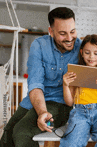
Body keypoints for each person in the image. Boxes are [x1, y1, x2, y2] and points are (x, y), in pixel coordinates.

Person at [0, 7, 82, 147]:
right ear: (51, 31)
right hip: (33, 102)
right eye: (62, 33)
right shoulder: (39, 45)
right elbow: (35, 84)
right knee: (7, 137)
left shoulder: (82, 48)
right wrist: (42, 111)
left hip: (60, 108)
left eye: (72, 31)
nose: (69, 38)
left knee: (21, 132)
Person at [59, 34, 97, 147]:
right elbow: (69, 102)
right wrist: (65, 85)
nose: (91, 57)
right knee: (71, 142)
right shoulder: (75, 72)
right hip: (80, 113)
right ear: (81, 52)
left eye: (96, 53)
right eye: (87, 53)